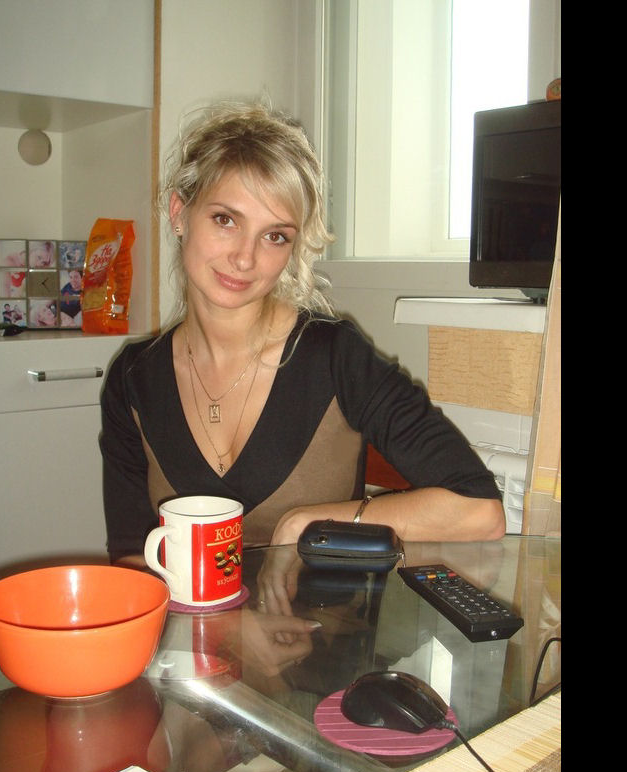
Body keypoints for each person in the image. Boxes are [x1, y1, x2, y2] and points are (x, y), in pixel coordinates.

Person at [100, 100, 505, 583]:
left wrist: (313, 522)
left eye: (275, 236)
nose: (245, 258)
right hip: (189, 630)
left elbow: (481, 511)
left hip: (325, 630)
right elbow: (131, 558)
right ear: (179, 213)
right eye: (225, 220)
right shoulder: (133, 380)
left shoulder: (335, 358)